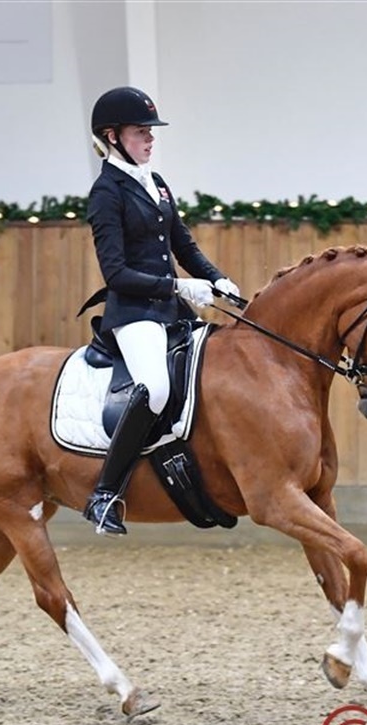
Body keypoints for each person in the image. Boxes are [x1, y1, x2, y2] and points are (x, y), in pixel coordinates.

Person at [82, 86, 241, 537]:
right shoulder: (106, 192)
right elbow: (116, 273)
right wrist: (178, 285)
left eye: (151, 132)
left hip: (171, 311)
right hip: (134, 314)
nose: (150, 139)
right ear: (112, 136)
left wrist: (217, 279)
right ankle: (104, 494)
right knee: (153, 388)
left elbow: (182, 244)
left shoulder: (156, 182)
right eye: (140, 132)